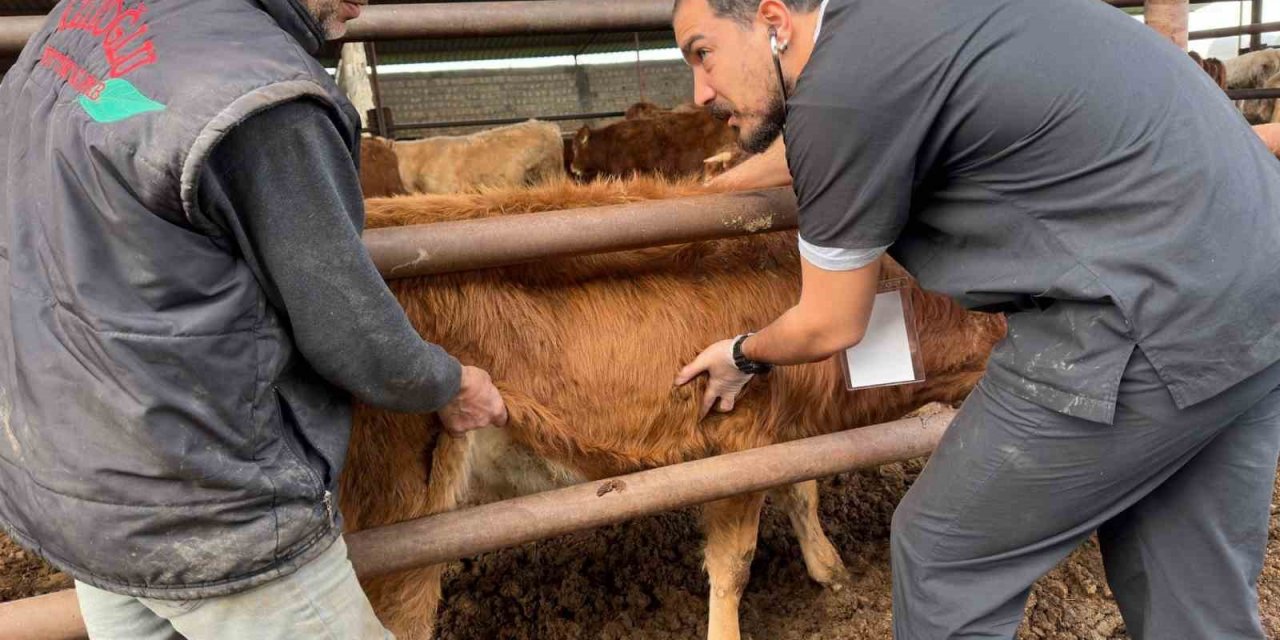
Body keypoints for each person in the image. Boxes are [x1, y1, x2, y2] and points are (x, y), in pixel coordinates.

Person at [671, 0, 1280, 637]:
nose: (698, 91)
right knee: (1188, 581)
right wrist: (710, 193)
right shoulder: (893, 30)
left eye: (701, 52)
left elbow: (830, 323)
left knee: (945, 557)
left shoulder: (838, 93)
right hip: (1254, 285)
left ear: (772, 19)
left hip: (1143, 316)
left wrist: (742, 353)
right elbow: (816, 142)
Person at [0, 0, 507, 638]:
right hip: (201, 507)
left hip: (69, 478)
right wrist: (450, 383)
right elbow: (349, 331)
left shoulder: (76, 18)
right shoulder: (261, 98)